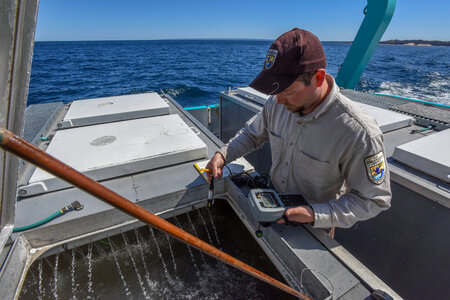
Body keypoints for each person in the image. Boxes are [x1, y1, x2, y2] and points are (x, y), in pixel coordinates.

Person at [206, 28, 391, 232]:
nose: (278, 99)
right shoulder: (277, 103)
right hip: (273, 207)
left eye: (287, 92)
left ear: (318, 78)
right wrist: (223, 155)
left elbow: (373, 199)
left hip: (316, 227)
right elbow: (252, 134)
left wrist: (315, 214)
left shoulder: (358, 132)